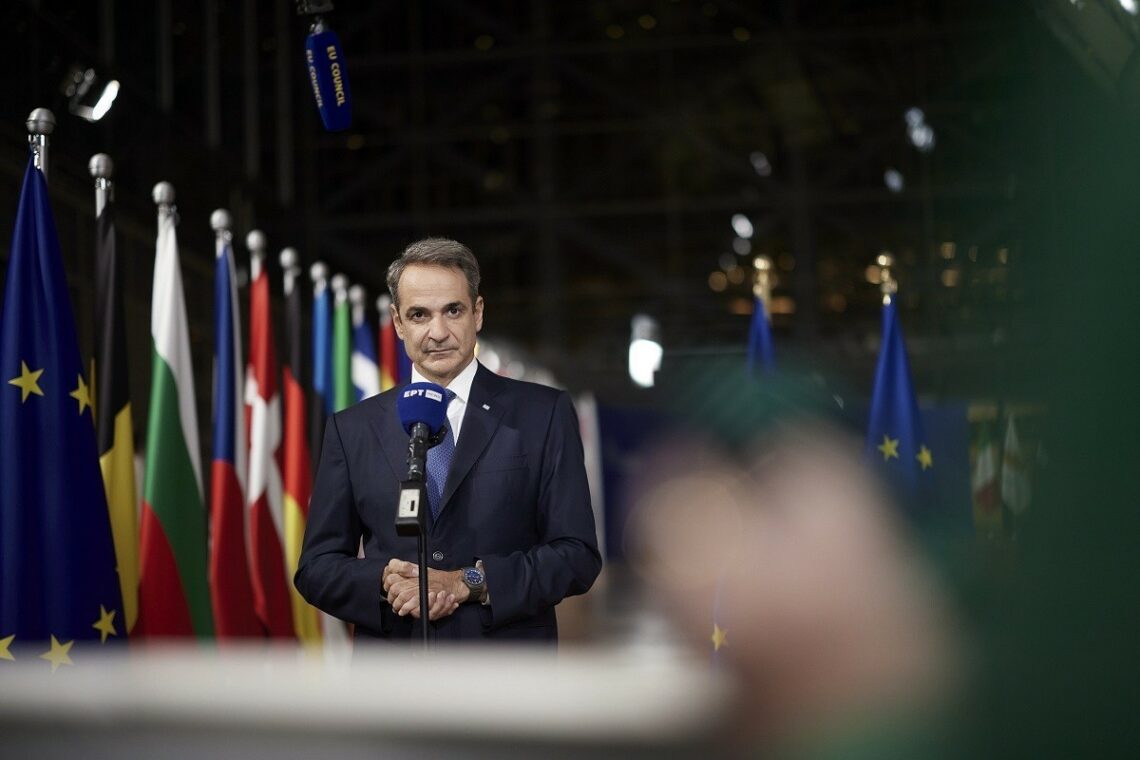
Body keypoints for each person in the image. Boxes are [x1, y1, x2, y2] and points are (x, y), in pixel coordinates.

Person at [295, 238, 602, 643]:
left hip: (507, 671)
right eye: (419, 315)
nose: (437, 332)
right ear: (398, 323)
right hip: (394, 672)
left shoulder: (543, 414)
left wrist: (468, 582)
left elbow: (577, 554)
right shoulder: (352, 429)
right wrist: (384, 580)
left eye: (453, 311)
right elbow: (316, 568)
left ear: (478, 313)